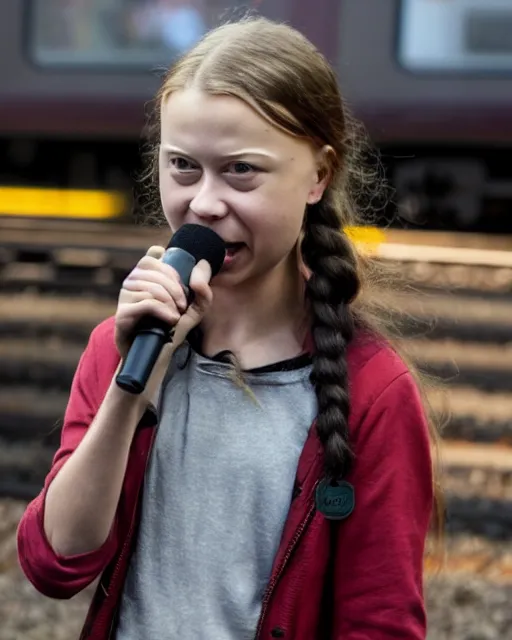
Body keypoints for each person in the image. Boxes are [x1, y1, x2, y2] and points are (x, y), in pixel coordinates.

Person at [17, 15, 441, 640]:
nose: (205, 202)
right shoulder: (124, 345)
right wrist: (131, 387)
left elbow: (378, 621)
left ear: (318, 175)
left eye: (241, 170)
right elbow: (55, 562)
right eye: (183, 166)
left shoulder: (373, 391)